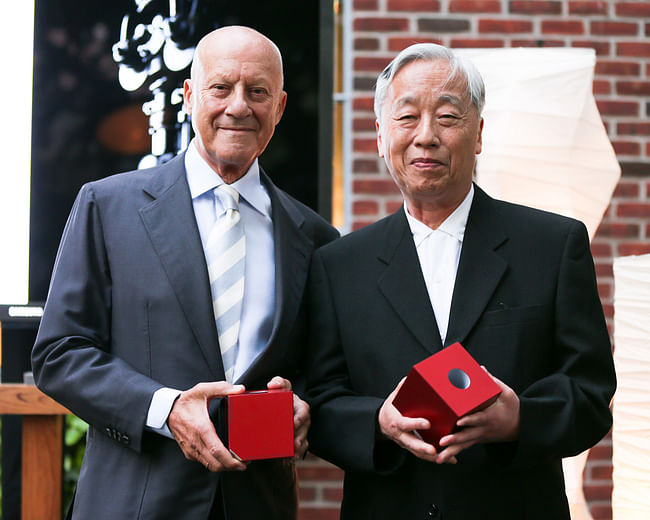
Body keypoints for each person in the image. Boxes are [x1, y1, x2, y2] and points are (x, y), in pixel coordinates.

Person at [32, 26, 338, 520]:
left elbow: (322, 376)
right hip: (134, 503)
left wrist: (306, 407)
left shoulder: (314, 237)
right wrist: (167, 409)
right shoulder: (107, 207)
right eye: (221, 88)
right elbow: (59, 354)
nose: (239, 106)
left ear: (278, 109)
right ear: (190, 97)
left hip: (258, 505)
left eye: (257, 91)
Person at [305, 43, 616, 520]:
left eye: (448, 117)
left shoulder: (552, 246)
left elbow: (591, 393)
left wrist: (519, 419)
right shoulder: (339, 264)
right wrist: (377, 422)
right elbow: (321, 402)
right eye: (407, 118)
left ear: (478, 134)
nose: (426, 136)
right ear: (380, 135)